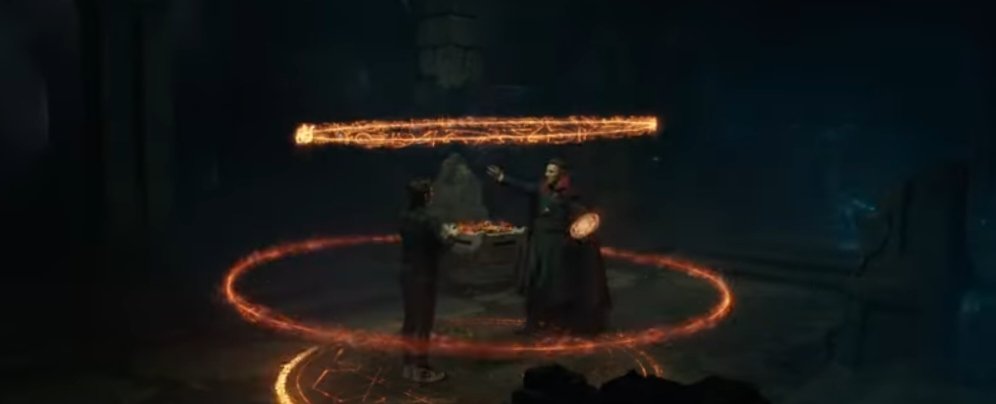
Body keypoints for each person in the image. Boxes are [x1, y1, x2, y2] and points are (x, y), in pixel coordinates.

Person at [487, 158, 611, 335]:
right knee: (535, 283)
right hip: (539, 243)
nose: (547, 174)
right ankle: (532, 324)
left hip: (557, 247)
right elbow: (524, 187)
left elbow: (583, 217)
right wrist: (503, 178)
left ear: (561, 174)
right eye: (547, 170)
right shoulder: (542, 188)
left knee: (556, 286)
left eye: (551, 171)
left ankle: (559, 324)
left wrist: (582, 232)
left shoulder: (570, 195)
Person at [399, 178, 459, 383]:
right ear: (425, 196)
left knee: (410, 321)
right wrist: (451, 235)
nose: (433, 195)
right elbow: (439, 247)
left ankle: (407, 365)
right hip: (425, 275)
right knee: (423, 324)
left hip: (407, 273)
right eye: (430, 192)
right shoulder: (430, 219)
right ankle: (421, 368)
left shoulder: (404, 217)